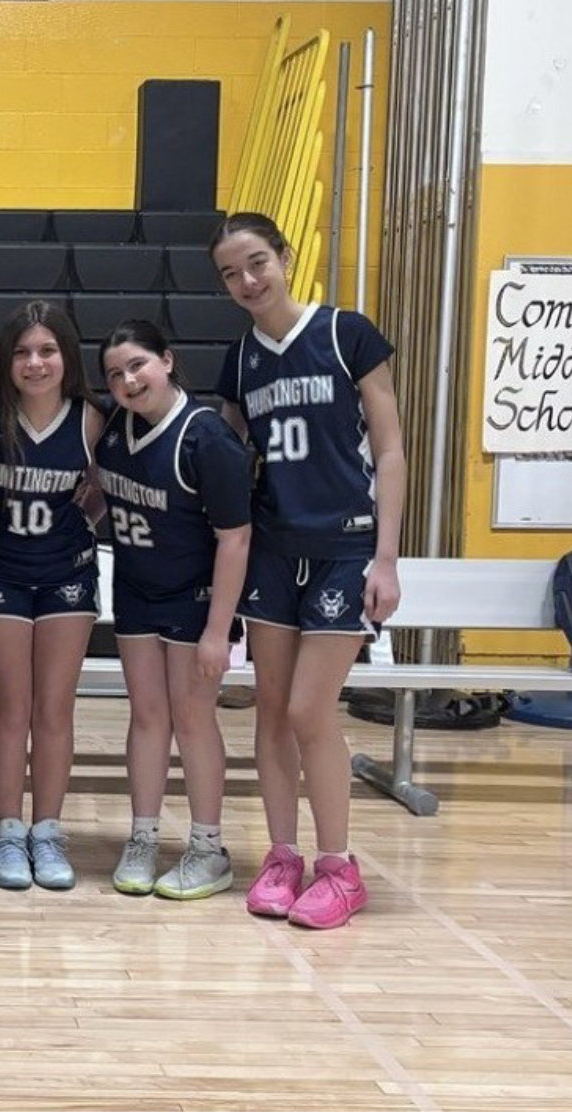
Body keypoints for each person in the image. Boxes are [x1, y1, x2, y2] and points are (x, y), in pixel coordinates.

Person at [211, 211, 405, 930]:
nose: (247, 281)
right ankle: (282, 856)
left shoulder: (346, 333)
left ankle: (339, 866)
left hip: (345, 545)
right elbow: (229, 465)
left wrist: (386, 557)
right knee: (269, 711)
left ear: (286, 257)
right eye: (230, 273)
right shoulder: (238, 362)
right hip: (272, 548)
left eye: (257, 262)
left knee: (306, 710)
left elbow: (388, 450)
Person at [97, 319, 252, 900]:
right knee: (146, 717)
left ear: (166, 359)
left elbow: (236, 539)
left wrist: (219, 632)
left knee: (192, 719)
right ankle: (143, 836)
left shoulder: (206, 438)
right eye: (115, 374)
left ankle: (209, 847)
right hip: (137, 589)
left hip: (196, 598)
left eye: (137, 364)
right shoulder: (117, 429)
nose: (128, 380)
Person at [0, 302, 102, 892]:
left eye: (47, 350)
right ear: (6, 360)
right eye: (22, 351)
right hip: (0, 569)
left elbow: (101, 492)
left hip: (67, 569)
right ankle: (8, 830)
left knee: (54, 709)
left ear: (67, 357)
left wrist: (92, 509)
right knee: (10, 709)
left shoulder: (93, 419)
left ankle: (47, 830)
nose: (35, 362)